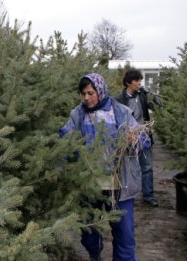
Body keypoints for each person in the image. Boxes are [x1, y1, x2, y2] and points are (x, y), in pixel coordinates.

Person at [59, 73, 150, 261]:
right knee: (89, 232)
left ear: (100, 90)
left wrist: (134, 140)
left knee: (124, 233)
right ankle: (95, 254)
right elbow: (64, 142)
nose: (86, 98)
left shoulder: (121, 111)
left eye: (90, 93)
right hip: (89, 185)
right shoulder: (77, 114)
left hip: (119, 185)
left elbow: (144, 140)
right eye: (83, 94)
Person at [115, 70, 161, 207]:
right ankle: (129, 195)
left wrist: (155, 100)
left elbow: (151, 107)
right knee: (129, 168)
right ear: (129, 82)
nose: (139, 83)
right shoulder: (119, 99)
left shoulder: (142, 95)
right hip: (128, 138)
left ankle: (149, 196)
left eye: (140, 80)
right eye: (137, 81)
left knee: (147, 167)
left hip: (143, 136)